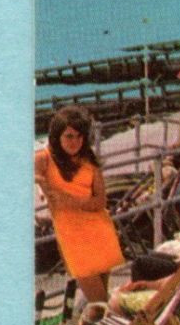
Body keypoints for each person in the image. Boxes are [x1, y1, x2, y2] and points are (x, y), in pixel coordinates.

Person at [34, 106, 125, 307]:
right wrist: (43, 186)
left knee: (102, 299)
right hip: (72, 235)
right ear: (57, 136)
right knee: (99, 299)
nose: (75, 142)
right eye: (69, 136)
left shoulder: (89, 160)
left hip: (100, 229)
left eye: (79, 136)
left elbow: (101, 202)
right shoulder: (44, 157)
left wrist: (68, 201)